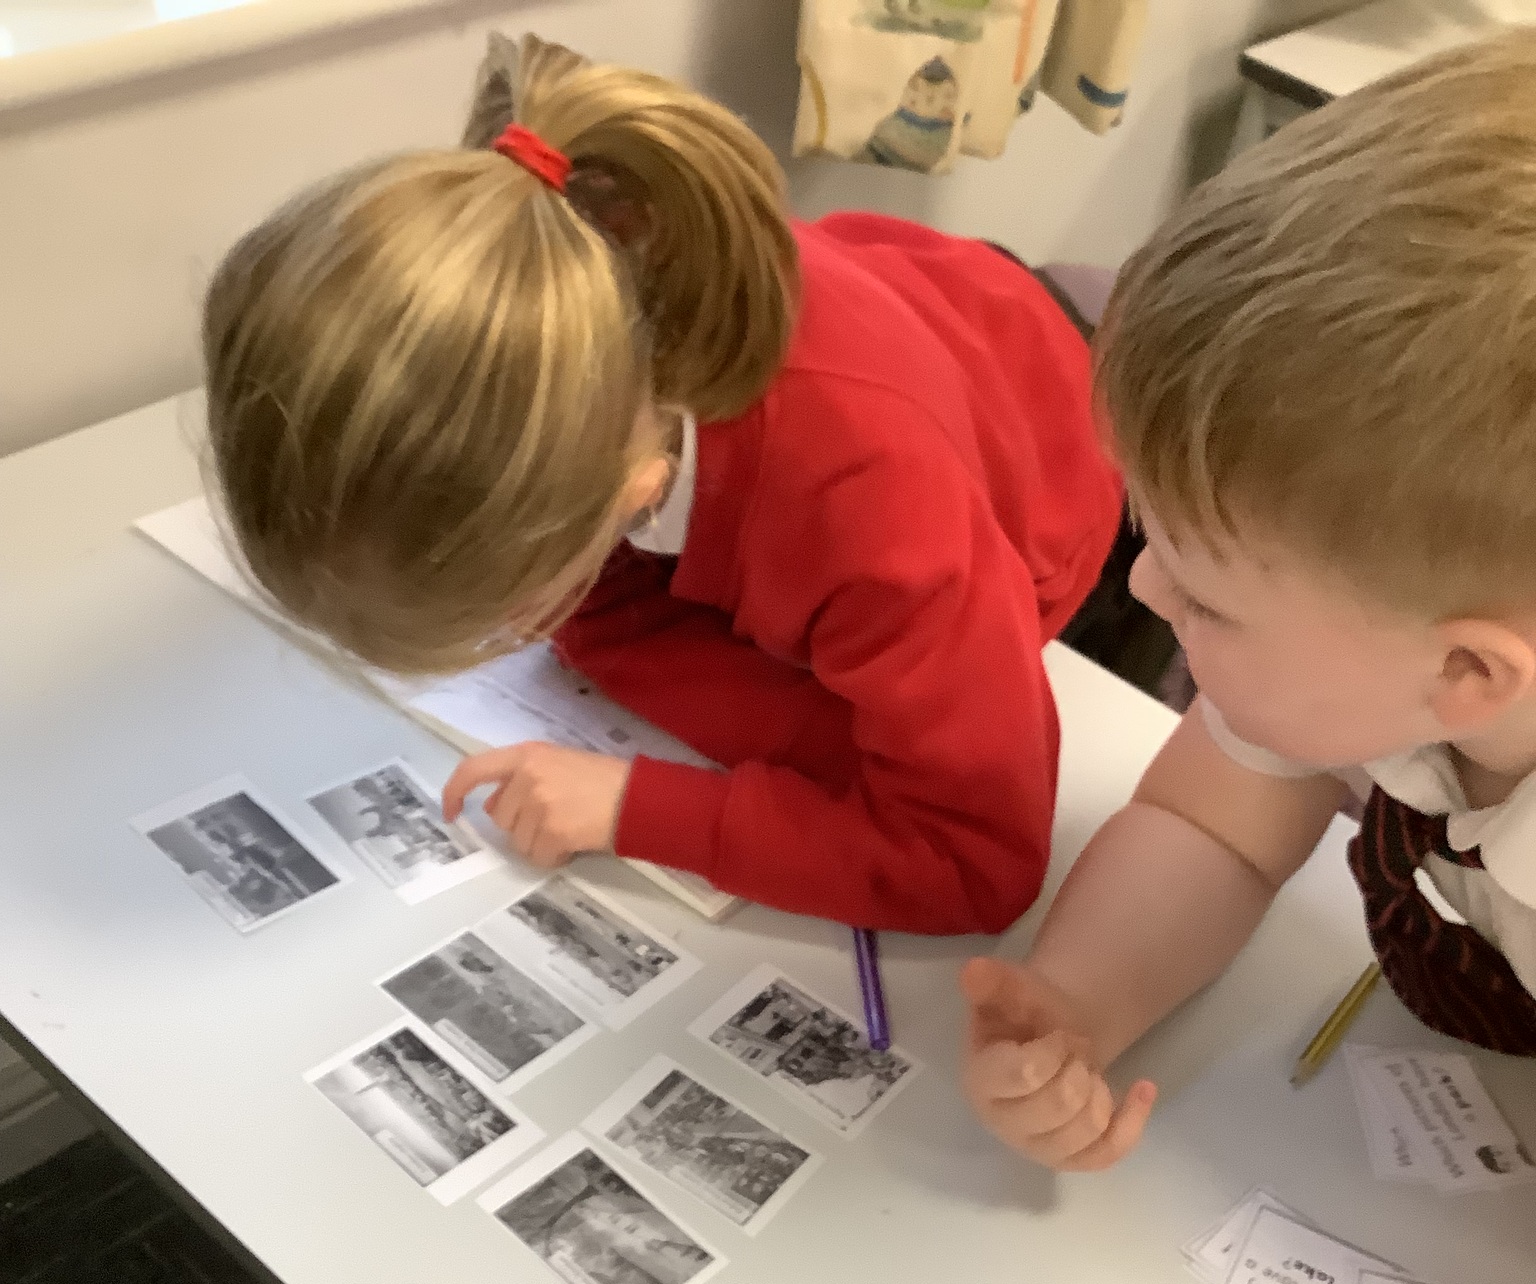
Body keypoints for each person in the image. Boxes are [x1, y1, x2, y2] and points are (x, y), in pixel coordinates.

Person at [200, 32, 1127, 937]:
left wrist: (638, 808)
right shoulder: (585, 328)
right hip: (926, 318)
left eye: (502, 615)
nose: (522, 630)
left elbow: (975, 856)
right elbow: (604, 620)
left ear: (634, 490)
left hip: (1079, 437)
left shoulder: (877, 511)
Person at [964, 31, 1536, 1169]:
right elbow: (1208, 827)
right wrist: (1079, 1002)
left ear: (1467, 673)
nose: (1140, 587)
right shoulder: (1379, 664)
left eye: (1209, 600)